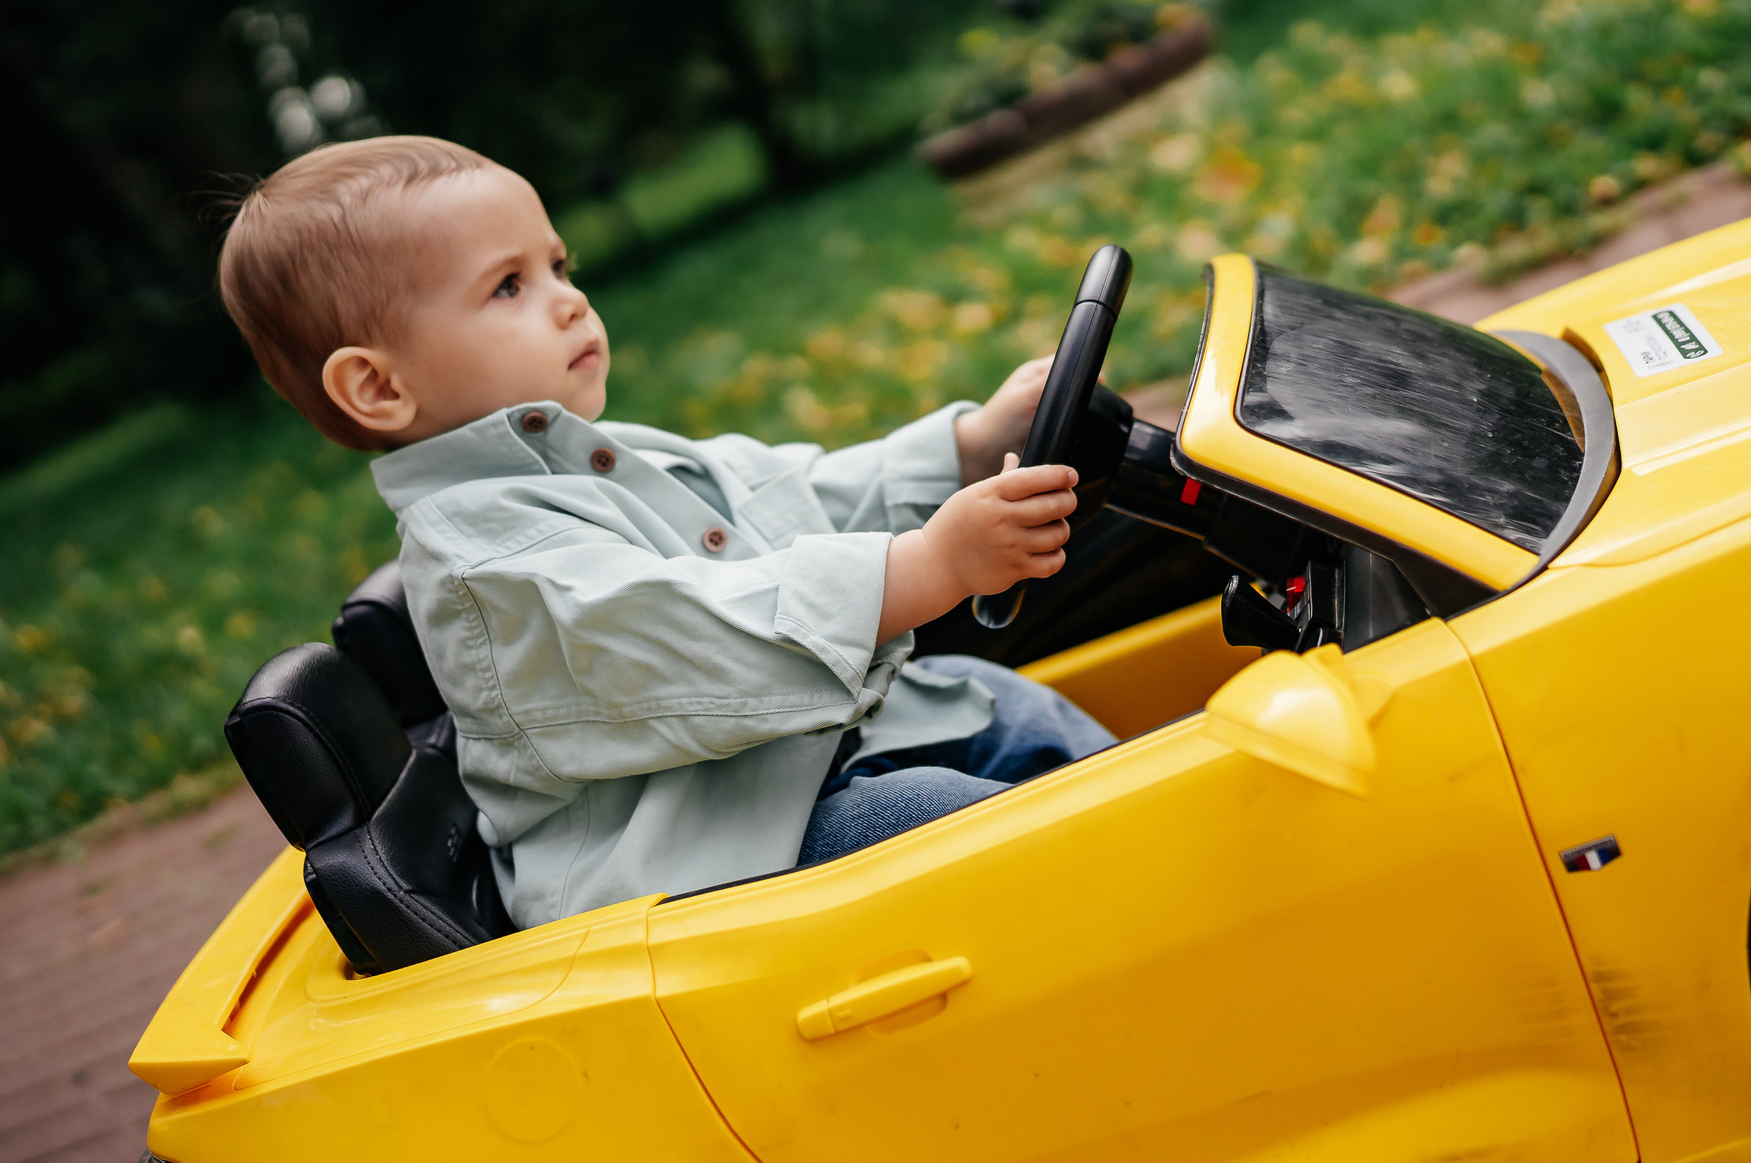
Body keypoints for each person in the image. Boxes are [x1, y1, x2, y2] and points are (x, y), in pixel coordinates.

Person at [216, 134, 1115, 927]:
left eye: (559, 266)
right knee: (931, 815)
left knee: (994, 701)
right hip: (693, 875)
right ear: (378, 387)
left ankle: (1156, 847)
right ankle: (1126, 916)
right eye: (509, 285)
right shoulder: (487, 564)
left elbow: (786, 500)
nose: (570, 301)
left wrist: (965, 448)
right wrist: (933, 562)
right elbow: (703, 638)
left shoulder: (599, 454)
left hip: (778, 785)